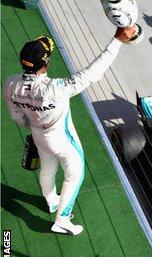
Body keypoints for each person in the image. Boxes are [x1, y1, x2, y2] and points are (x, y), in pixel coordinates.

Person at [3, 27, 137, 235]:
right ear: (45, 64)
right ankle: (62, 220)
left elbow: (17, 118)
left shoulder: (10, 84)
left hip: (39, 135)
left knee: (47, 169)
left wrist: (33, 124)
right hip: (61, 138)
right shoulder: (57, 88)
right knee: (75, 175)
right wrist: (118, 40)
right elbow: (94, 72)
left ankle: (51, 202)